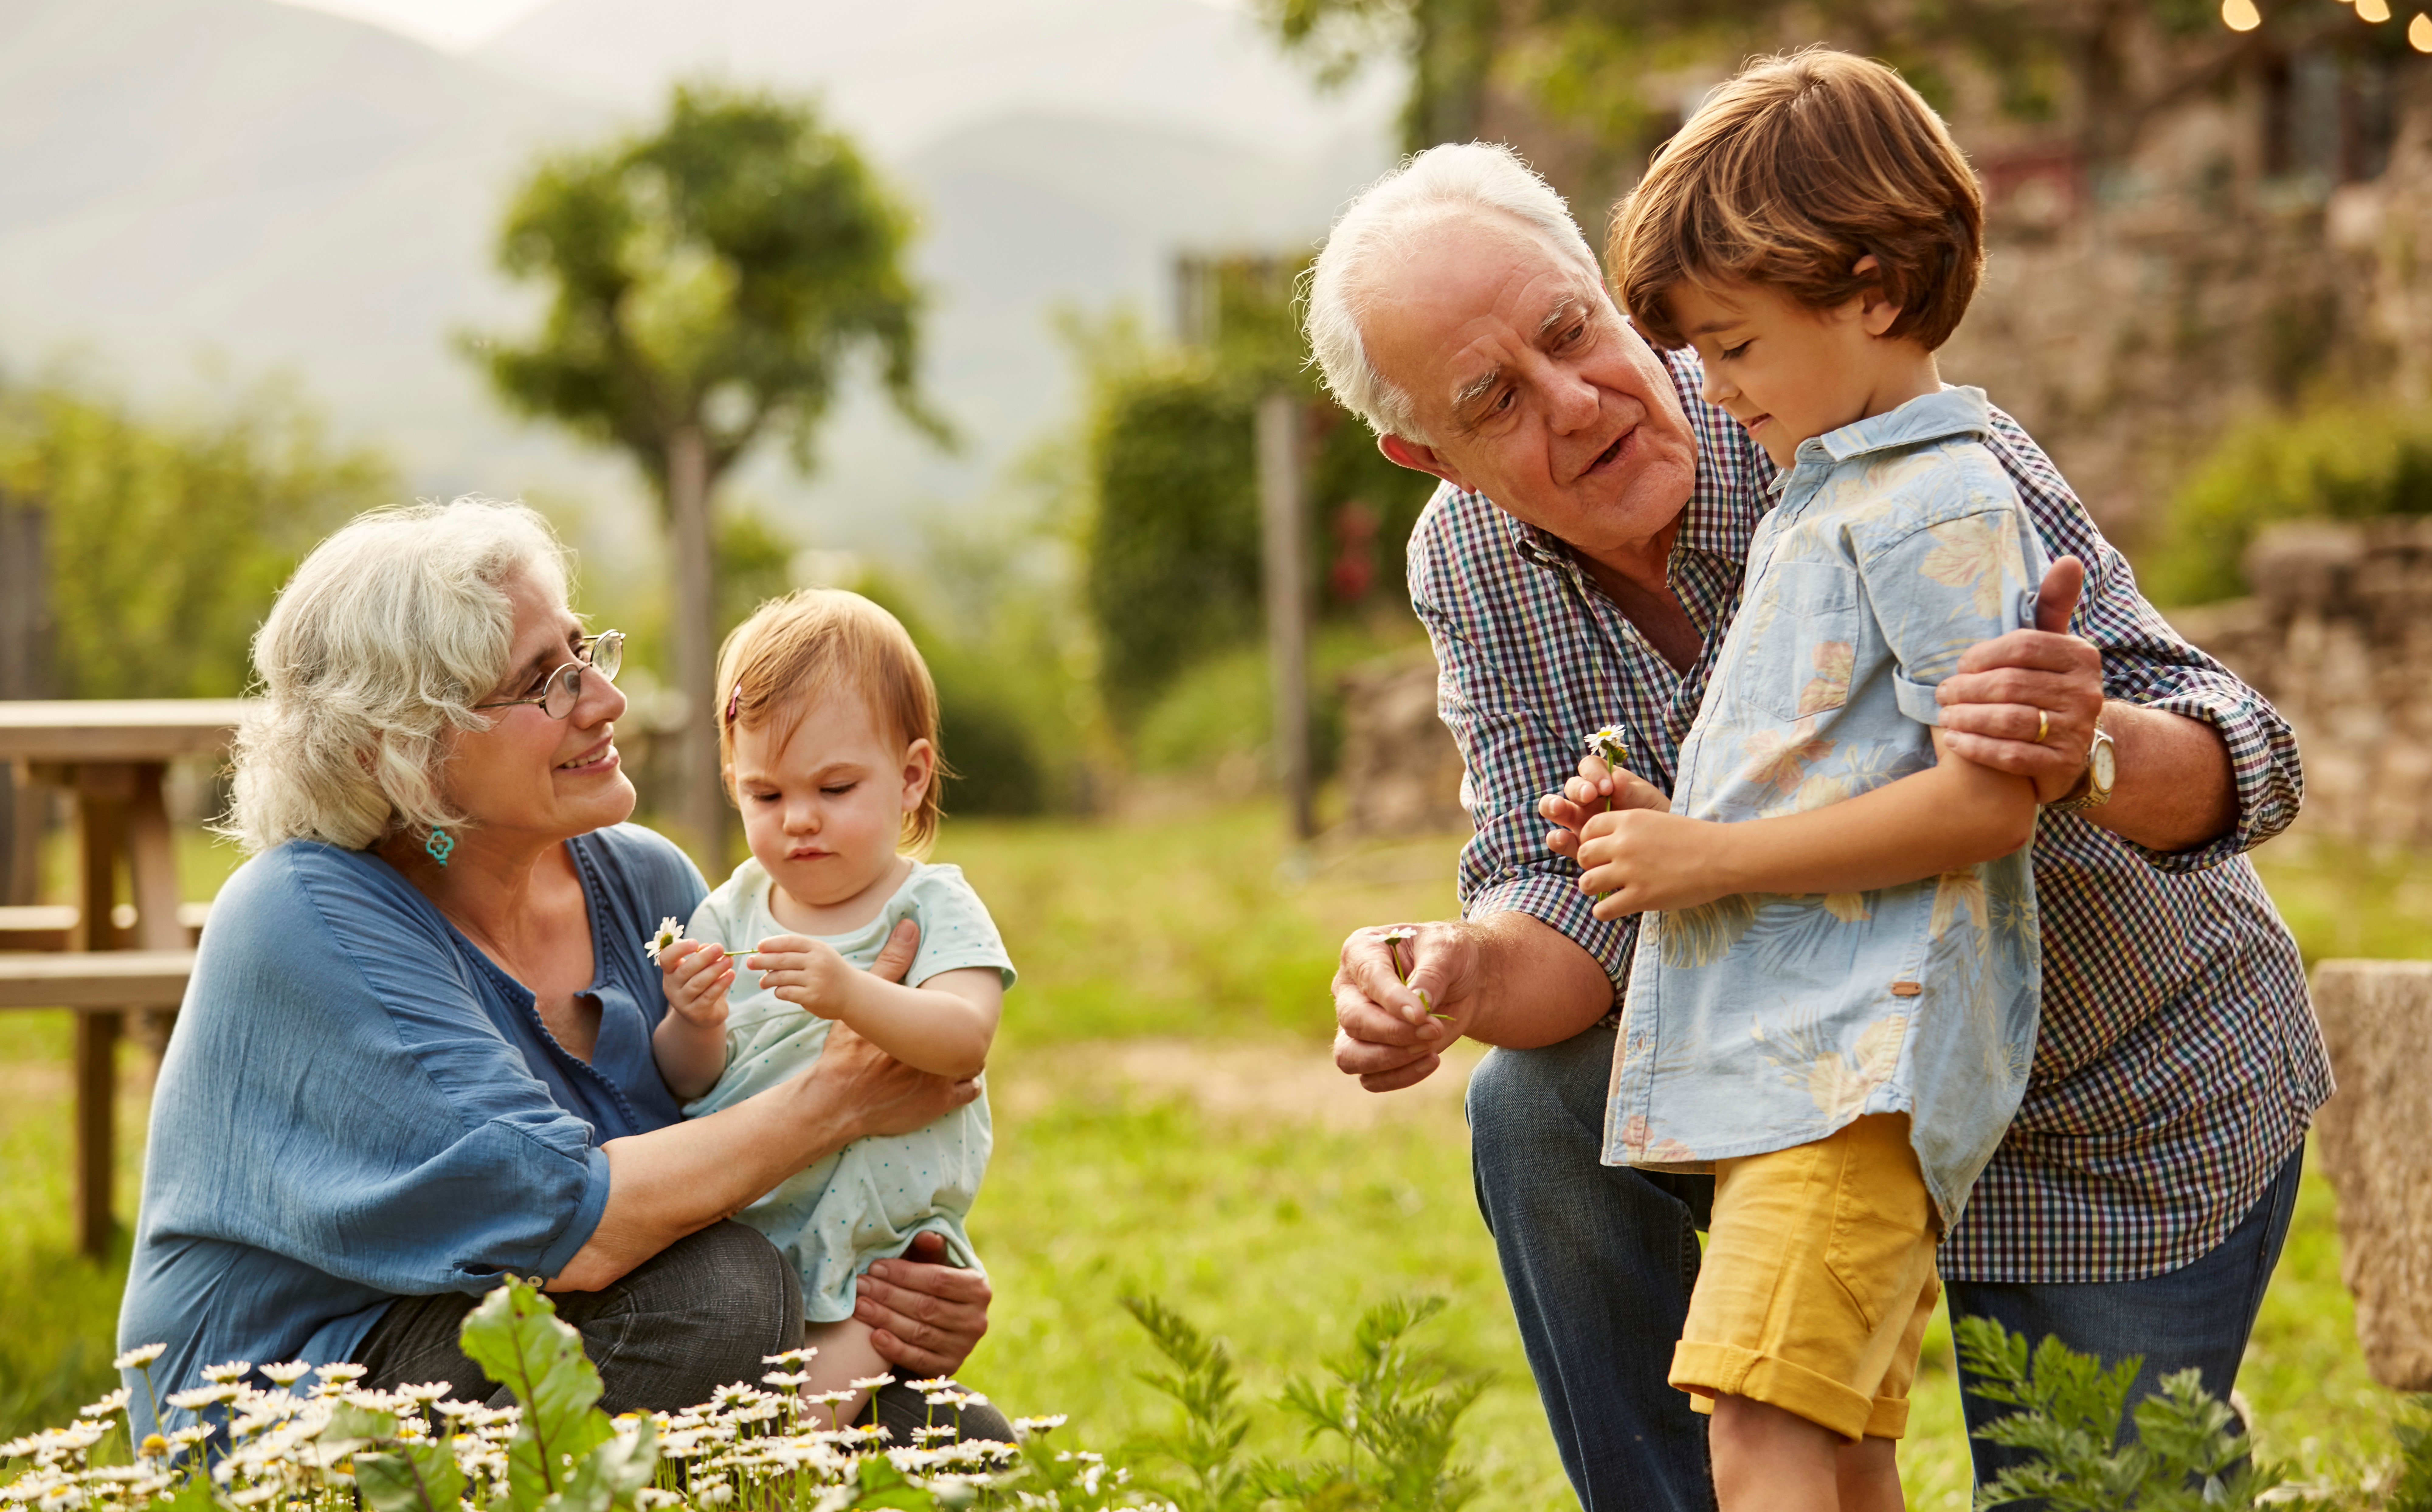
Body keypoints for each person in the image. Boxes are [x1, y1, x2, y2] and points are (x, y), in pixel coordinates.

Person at [1303, 129, 2329, 1507]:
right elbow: (1557, 893)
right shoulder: (1473, 560)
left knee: (2092, 1489)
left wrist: (2079, 735)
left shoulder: (1875, 428)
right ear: (1423, 452)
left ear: (1607, 290)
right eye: (1494, 396)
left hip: (2099, 1095)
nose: (1575, 398)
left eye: (1570, 330)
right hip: (1814, 1097)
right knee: (1534, 1103)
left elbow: (2247, 755)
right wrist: (1459, 970)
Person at [118, 500, 1009, 1444]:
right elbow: (569, 1225)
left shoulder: (647, 882)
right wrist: (844, 1099)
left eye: (587, 654)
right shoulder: (303, 916)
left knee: (957, 1441)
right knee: (721, 1298)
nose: (606, 700)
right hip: (303, 1405)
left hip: (575, 1334)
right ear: (406, 750)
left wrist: (903, 1278)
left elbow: (740, 1138)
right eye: (546, 684)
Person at [1570, 53, 2049, 1507]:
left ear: (1871, 294)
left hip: (1854, 1068)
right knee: (1827, 1435)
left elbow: (1987, 802)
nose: (1712, 397)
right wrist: (1663, 826)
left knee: (1758, 1426)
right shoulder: (1835, 487)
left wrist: (1704, 862)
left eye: (1733, 348)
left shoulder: (1939, 497)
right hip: (1806, 1061)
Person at [654, 589, 1012, 1424]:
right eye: (767, 797)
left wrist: (854, 991)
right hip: (752, 1223)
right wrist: (695, 1022)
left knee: (794, 1426)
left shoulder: (930, 908)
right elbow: (685, 1082)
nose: (801, 821)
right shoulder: (729, 911)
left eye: (836, 787)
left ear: (911, 776)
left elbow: (964, 1041)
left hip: (876, 1247)